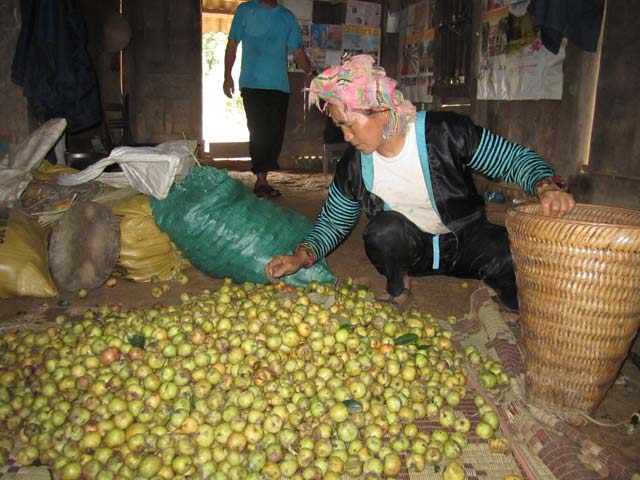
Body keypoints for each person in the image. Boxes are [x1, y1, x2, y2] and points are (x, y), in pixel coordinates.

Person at [265, 55, 576, 311]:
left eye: (350, 125)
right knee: (382, 232)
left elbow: (511, 159)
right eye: (340, 127)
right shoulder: (354, 166)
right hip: (415, 251)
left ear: (384, 113)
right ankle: (398, 286)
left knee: (513, 258)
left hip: (466, 239)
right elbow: (333, 223)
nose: (346, 136)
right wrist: (300, 256)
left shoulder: (446, 134)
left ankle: (507, 301)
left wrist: (546, 185)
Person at [223, 0, 314, 198]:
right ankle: (261, 179)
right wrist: (227, 75)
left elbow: (298, 50)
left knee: (274, 134)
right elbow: (232, 44)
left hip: (279, 86)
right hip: (252, 83)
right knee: (258, 130)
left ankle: (264, 176)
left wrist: (311, 73)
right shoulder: (245, 11)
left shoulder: (286, 17)